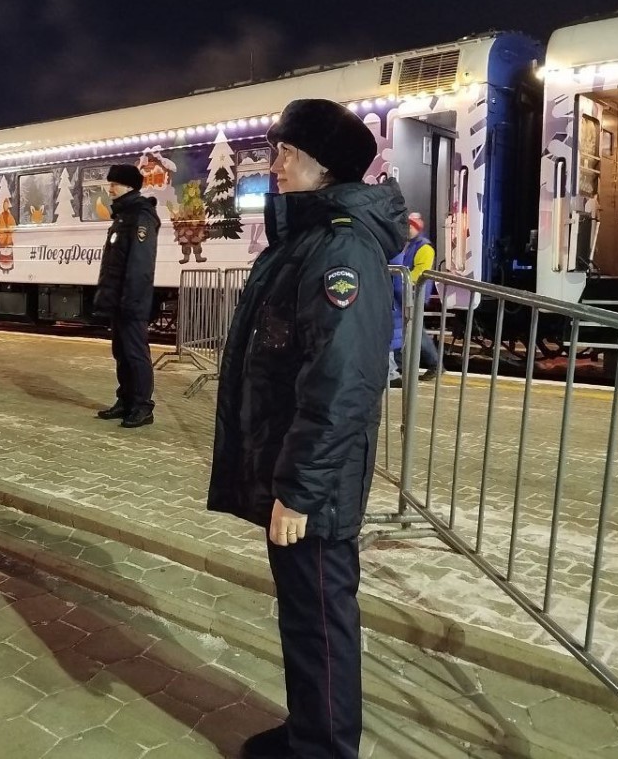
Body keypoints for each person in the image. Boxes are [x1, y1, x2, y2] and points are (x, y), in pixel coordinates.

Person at [208, 99, 407, 759]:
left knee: (320, 620)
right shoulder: (311, 237)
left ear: (323, 166)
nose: (275, 165)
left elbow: (341, 381)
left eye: (286, 153)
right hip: (297, 468)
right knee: (304, 615)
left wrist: (298, 489)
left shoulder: (339, 246)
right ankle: (309, 734)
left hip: (312, 481)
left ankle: (323, 748)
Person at [92, 163, 161, 429]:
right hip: (120, 299)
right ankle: (126, 400)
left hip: (132, 300)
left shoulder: (141, 216)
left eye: (114, 184)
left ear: (129, 186)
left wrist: (131, 300)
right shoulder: (123, 216)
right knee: (121, 352)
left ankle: (142, 406)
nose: (109, 189)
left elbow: (139, 265)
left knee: (135, 353)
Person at [400, 212, 442, 380]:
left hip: (415, 294)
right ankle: (402, 364)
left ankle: (435, 364)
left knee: (416, 331)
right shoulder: (411, 245)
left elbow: (420, 272)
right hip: (409, 293)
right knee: (410, 330)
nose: (407, 229)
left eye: (410, 226)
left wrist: (400, 279)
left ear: (417, 228)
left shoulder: (424, 247)